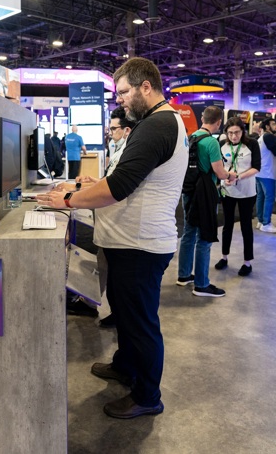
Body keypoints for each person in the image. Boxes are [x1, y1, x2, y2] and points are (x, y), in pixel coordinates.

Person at [37, 57, 188, 419]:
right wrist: (88, 184)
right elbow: (127, 178)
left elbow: (119, 188)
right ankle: (125, 366)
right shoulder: (154, 123)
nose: (118, 99)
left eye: (122, 92)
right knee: (124, 313)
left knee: (140, 323)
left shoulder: (158, 125)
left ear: (145, 87)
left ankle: (147, 395)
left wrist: (69, 199)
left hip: (140, 244)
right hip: (128, 241)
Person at [65, 107, 135, 322]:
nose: (110, 133)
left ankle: (117, 313)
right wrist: (95, 183)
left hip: (121, 223)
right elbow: (112, 181)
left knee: (118, 274)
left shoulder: (128, 152)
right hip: (110, 222)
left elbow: (118, 188)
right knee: (105, 265)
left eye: (113, 129)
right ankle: (92, 304)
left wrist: (70, 199)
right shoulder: (118, 149)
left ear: (126, 130)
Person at [177, 106, 238, 297]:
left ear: (203, 118)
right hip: (204, 193)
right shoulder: (211, 143)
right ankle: (202, 284)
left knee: (189, 232)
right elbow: (220, 173)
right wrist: (231, 175)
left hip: (189, 190)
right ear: (219, 122)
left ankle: (184, 275)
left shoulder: (191, 137)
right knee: (205, 236)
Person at [214, 117, 261, 276]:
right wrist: (224, 177)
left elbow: (256, 167)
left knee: (246, 226)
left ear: (243, 131)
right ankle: (224, 257)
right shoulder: (222, 144)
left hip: (247, 192)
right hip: (228, 191)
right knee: (227, 225)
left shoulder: (252, 144)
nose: (234, 136)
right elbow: (219, 166)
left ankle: (247, 262)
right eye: (230, 133)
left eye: (237, 132)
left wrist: (238, 177)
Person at [256, 117, 276, 233]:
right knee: (269, 197)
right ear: (267, 126)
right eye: (273, 124)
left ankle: (261, 221)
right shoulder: (268, 137)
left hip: (260, 172)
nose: (275, 126)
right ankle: (266, 223)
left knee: (261, 197)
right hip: (267, 173)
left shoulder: (261, 138)